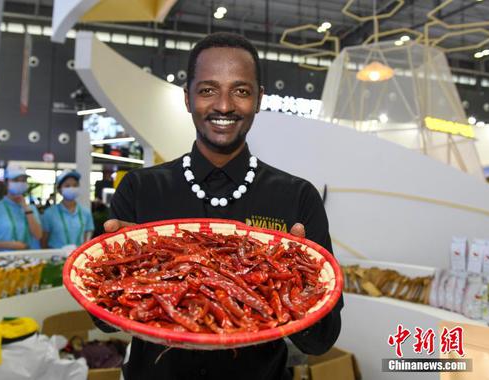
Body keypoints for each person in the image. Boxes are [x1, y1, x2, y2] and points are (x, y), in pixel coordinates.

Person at [100, 32, 343, 380]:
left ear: (259, 99)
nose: (224, 105)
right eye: (208, 90)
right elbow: (101, 320)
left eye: (241, 91)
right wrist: (116, 271)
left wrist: (298, 285)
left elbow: (322, 339)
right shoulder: (140, 189)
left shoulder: (298, 197)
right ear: (187, 98)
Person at [0, 165, 42, 251]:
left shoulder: (31, 209)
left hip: (27, 260)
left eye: (23, 180)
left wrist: (26, 209)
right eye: (15, 180)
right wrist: (10, 245)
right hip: (2, 260)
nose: (20, 183)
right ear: (6, 183)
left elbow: (38, 235)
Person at [41, 170, 94, 249]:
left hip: (78, 257)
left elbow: (88, 236)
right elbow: (44, 240)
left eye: (75, 185)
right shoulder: (49, 213)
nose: (72, 188)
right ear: (59, 190)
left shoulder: (85, 212)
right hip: (55, 257)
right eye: (67, 186)